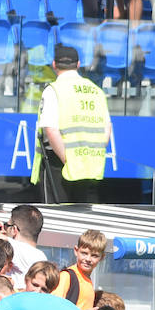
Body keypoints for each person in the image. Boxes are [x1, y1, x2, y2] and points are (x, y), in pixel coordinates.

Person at [34, 45, 110, 204]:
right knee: (81, 215)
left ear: (54, 65)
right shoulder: (96, 91)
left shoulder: (54, 90)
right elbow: (106, 128)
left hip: (59, 162)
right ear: (78, 64)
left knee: (57, 218)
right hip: (89, 163)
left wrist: (68, 161)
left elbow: (51, 130)